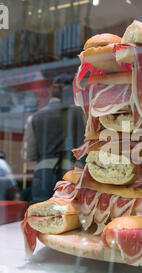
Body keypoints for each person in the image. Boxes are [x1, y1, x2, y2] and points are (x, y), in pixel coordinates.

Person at [23, 75, 85, 204]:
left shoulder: (35, 117)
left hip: (43, 172)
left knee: (41, 213)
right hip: (73, 171)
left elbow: (28, 155)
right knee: (71, 212)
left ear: (52, 91)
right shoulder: (81, 114)